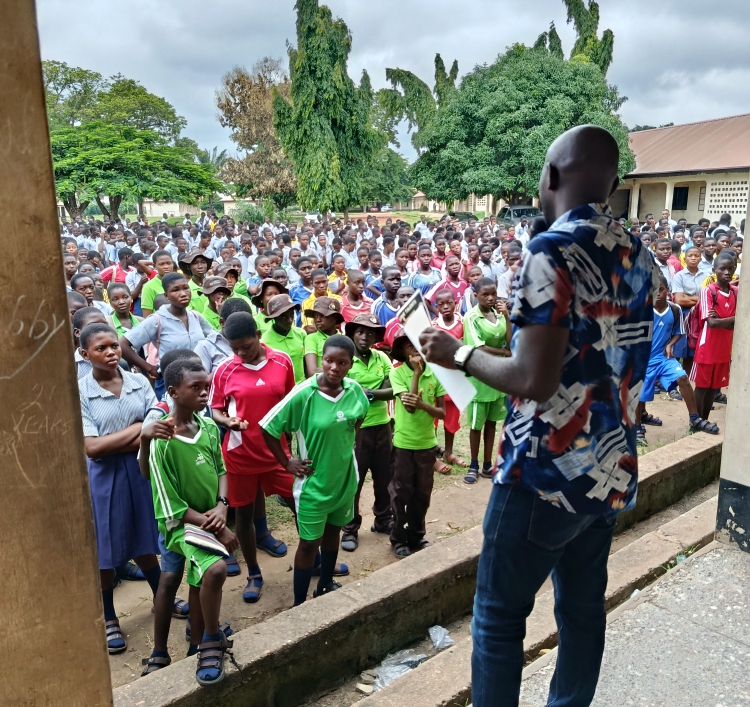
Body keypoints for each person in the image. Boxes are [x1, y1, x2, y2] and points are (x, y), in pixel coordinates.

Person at [419, 125, 658, 707]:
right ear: (613, 184)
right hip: (608, 469)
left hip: (544, 475)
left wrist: (460, 354)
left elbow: (534, 379)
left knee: (498, 618)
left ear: (549, 176)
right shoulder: (639, 253)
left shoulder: (550, 249)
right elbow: (597, 360)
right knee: (582, 610)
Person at [147, 358, 237, 685]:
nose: (204, 393)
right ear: (173, 392)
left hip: (209, 517)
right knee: (214, 569)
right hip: (180, 525)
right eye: (195, 387)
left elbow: (222, 471)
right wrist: (217, 526)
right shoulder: (163, 441)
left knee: (199, 577)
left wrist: (222, 507)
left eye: (206, 387)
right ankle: (209, 641)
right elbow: (169, 504)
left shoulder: (209, 426)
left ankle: (198, 641)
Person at [261, 335, 369, 605]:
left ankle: (325, 584)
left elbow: (359, 417)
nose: (334, 368)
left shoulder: (355, 390)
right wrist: (287, 462)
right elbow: (268, 427)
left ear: (350, 364)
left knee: (333, 534)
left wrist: (347, 441)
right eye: (329, 360)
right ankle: (299, 603)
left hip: (344, 479)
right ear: (322, 359)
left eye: (342, 363)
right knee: (309, 543)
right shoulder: (304, 393)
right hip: (313, 485)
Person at [77, 323, 161, 655]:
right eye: (101, 348)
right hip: (104, 475)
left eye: (114, 345)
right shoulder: (80, 392)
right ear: (85, 354)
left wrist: (134, 434)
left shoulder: (138, 381)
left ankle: (162, 597)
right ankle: (109, 617)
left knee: (144, 536)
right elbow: (93, 448)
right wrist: (138, 429)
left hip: (140, 467)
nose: (111, 352)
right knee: (106, 548)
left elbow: (158, 423)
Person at [210, 312, 298, 602]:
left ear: (258, 336)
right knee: (244, 517)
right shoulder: (225, 370)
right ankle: (254, 573)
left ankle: (312, 558)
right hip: (240, 456)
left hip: (278, 455)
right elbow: (215, 408)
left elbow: (290, 403)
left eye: (246, 346)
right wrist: (228, 422)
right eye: (234, 348)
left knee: (301, 504)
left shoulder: (282, 361)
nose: (240, 353)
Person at [388, 330, 446, 558]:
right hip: (404, 444)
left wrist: (424, 405)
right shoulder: (397, 373)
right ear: (402, 351)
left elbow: (441, 412)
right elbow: (410, 407)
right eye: (409, 346)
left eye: (417, 344)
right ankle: (398, 538)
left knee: (422, 494)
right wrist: (416, 374)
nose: (414, 349)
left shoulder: (435, 374)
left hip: (426, 444)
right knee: (401, 493)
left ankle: (417, 535)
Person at [636, 277, 713, 444]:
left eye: (660, 289)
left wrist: (670, 345)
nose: (657, 293)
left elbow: (678, 332)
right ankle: (637, 426)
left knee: (683, 378)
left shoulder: (675, 309)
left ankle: (695, 419)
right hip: (643, 358)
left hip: (663, 357)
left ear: (667, 290)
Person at [340, 314, 394, 551]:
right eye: (360, 331)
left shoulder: (381, 357)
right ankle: (350, 528)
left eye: (370, 332)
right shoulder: (345, 359)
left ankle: (383, 519)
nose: (365, 336)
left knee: (384, 477)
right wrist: (375, 390)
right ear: (353, 334)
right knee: (354, 480)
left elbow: (392, 388)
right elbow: (345, 391)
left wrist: (367, 392)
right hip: (355, 429)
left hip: (383, 425)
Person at [120, 272, 213, 398]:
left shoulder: (195, 316)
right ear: (166, 296)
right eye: (175, 290)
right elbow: (122, 344)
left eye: (186, 288)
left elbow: (215, 339)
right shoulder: (157, 320)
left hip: (199, 382)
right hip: (171, 384)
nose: (183, 293)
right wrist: (150, 368)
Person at [690, 251, 737, 430]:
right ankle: (695, 422)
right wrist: (733, 319)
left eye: (731, 268)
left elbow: (733, 324)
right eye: (722, 269)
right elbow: (711, 323)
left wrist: (723, 320)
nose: (727, 272)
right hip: (707, 347)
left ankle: (704, 420)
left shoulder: (735, 292)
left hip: (724, 347)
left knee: (713, 387)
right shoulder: (708, 291)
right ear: (714, 270)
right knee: (702, 386)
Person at [431, 288, 467, 468]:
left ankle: (448, 452)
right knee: (433, 417)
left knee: (452, 417)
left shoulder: (463, 323)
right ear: (436, 307)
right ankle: (431, 455)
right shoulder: (433, 326)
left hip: (456, 378)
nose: (445, 307)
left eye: (449, 303)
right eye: (441, 304)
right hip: (437, 378)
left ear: (455, 303)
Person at [260, 294, 308, 383]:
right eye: (284, 317)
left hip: (302, 386)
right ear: (274, 318)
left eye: (291, 315)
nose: (289, 320)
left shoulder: (301, 334)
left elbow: (306, 363)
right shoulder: (264, 342)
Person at [304, 297, 345, 375]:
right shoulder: (312, 338)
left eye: (323, 315)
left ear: (335, 317)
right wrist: (340, 370)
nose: (318, 319)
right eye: (315, 316)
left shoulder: (344, 340)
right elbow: (312, 371)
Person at [140, 250, 175, 316]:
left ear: (172, 263)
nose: (166, 267)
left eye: (169, 263)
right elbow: (147, 316)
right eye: (161, 264)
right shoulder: (149, 287)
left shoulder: (179, 281)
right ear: (154, 266)